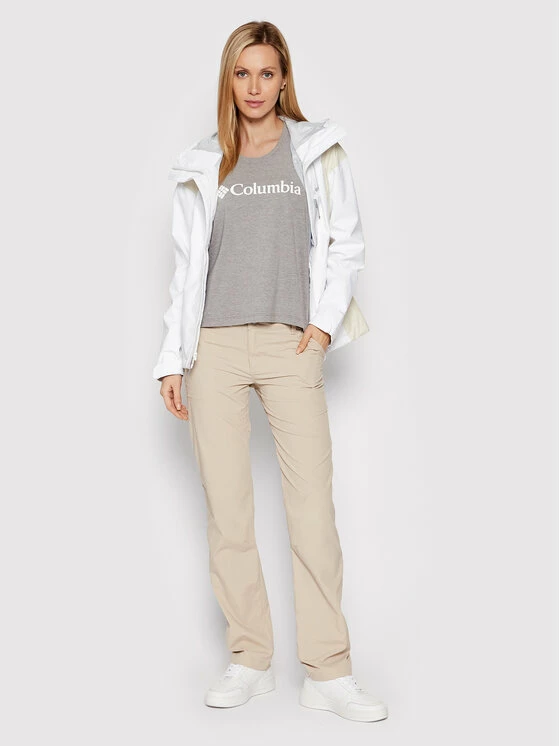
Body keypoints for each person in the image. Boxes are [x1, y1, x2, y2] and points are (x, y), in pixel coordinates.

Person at [153, 20, 388, 723]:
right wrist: (172, 358)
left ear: (284, 79)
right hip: (214, 349)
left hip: (291, 344)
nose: (254, 86)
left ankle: (329, 671)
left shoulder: (315, 149)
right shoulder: (205, 162)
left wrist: (321, 327)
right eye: (241, 73)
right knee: (228, 512)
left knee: (312, 511)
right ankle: (250, 658)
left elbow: (345, 242)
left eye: (266, 72)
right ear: (229, 81)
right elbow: (186, 270)